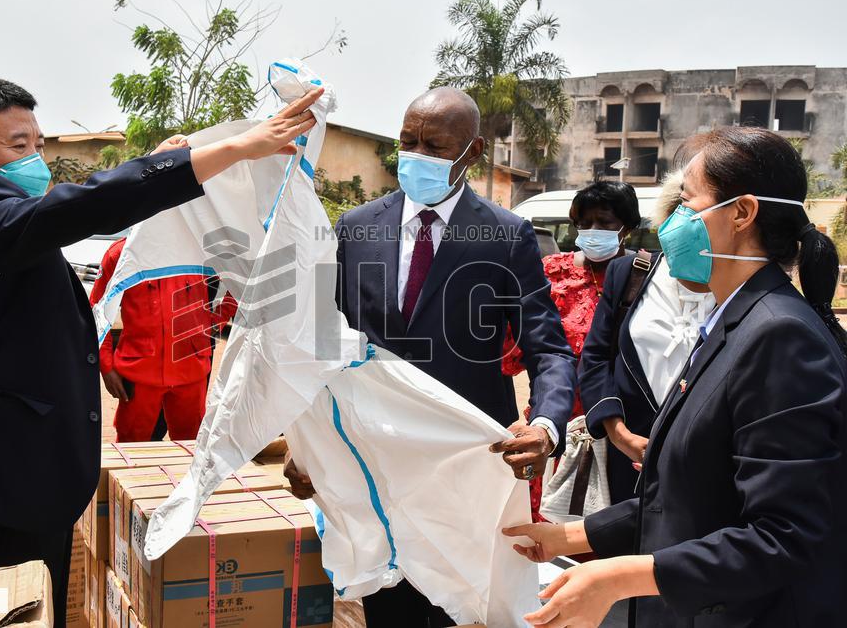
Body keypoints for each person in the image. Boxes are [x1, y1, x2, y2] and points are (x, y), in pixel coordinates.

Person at [0, 75, 322, 626]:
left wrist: (157, 167)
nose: (36, 159)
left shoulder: (0, 226)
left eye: (37, 144)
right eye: (17, 146)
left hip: (24, 488)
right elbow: (76, 208)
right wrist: (230, 149)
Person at [506, 126, 847, 627]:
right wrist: (572, 537)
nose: (674, 221)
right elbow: (693, 495)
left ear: (741, 212)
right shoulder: (731, 320)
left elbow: (784, 536)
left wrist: (617, 578)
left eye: (688, 203)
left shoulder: (779, 337)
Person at [285, 87, 577, 627]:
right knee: (388, 602)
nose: (415, 156)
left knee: (460, 607)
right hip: (376, 460)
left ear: (474, 151)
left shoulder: (506, 235)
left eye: (435, 146)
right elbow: (324, 344)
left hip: (464, 461)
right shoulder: (354, 228)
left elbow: (548, 346)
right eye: (407, 141)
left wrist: (546, 425)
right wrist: (308, 445)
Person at [501, 179, 640, 520]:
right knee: (544, 527)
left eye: (604, 223)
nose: (593, 231)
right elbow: (517, 353)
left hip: (621, 430)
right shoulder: (551, 272)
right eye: (585, 223)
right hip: (553, 426)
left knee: (607, 531)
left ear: (627, 228)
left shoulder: (643, 277)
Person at [578, 169, 715, 504]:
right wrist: (619, 434)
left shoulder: (739, 291)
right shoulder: (628, 274)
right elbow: (596, 357)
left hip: (702, 470)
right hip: (625, 460)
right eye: (681, 212)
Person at [89, 238, 235, 441]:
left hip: (190, 371)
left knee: (190, 447)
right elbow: (97, 309)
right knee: (132, 447)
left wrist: (211, 326)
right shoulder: (122, 253)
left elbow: (241, 280)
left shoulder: (200, 246)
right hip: (139, 373)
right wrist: (106, 366)